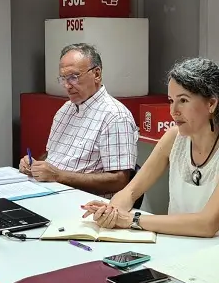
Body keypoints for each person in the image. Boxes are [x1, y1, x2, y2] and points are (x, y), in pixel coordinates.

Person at [80, 57, 219, 246]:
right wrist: (113, 212)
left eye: (183, 100)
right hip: (181, 249)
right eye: (170, 101)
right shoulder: (174, 137)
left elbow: (208, 224)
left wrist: (132, 220)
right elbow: (130, 192)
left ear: (211, 104)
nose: (173, 111)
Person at [18, 43, 139, 197]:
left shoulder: (115, 116)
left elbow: (119, 180)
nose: (67, 86)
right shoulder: (65, 109)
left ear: (97, 74)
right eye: (63, 79)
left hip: (82, 201)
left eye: (74, 77)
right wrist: (35, 165)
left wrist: (58, 176)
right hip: (49, 191)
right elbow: (51, 155)